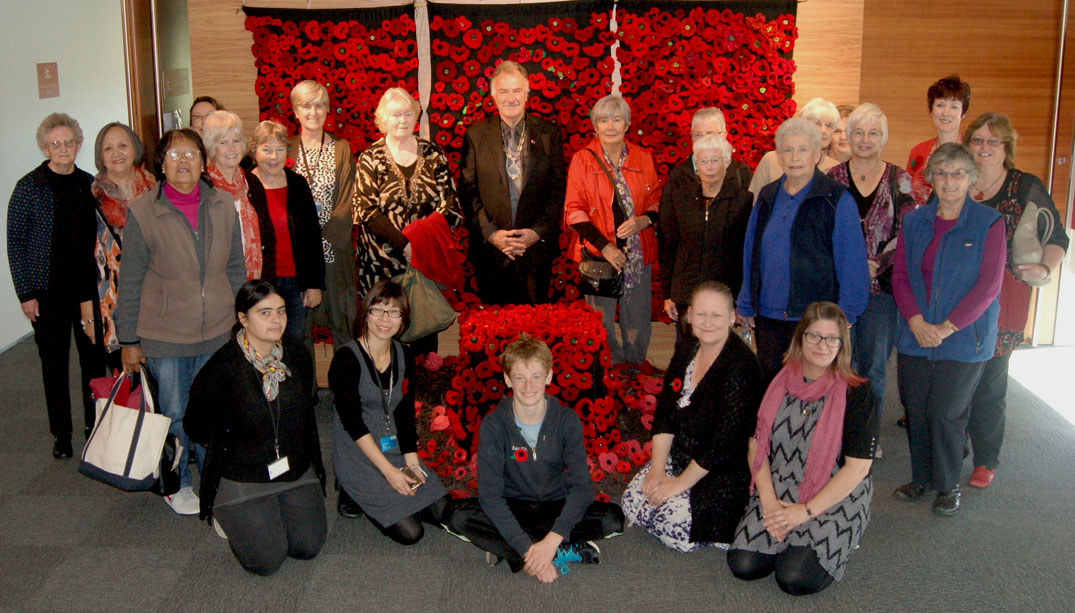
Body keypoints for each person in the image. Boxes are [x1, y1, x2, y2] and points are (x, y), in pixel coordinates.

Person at [115, 128, 246, 515]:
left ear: (204, 162)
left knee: (213, 413)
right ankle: (177, 483)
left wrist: (242, 323)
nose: (184, 161)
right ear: (161, 164)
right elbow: (131, 282)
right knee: (173, 413)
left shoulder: (224, 204)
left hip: (218, 331)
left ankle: (213, 481)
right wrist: (128, 340)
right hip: (164, 335)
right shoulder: (142, 212)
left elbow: (236, 268)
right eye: (174, 155)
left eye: (191, 153)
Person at [444, 333, 625, 582]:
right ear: (508, 379)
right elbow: (490, 495)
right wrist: (529, 549)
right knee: (457, 515)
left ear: (548, 376)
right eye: (520, 378)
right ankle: (541, 550)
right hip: (513, 505)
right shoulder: (494, 424)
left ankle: (510, 549)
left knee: (613, 517)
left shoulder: (566, 420)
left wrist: (550, 541)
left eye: (536, 377)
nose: (528, 387)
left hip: (555, 505)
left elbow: (582, 488)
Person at [727, 302, 878, 596]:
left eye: (832, 338)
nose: (822, 345)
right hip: (780, 485)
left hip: (832, 493)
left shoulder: (857, 392)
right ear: (800, 338)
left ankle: (840, 536)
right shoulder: (774, 381)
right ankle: (789, 538)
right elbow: (755, 445)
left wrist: (804, 513)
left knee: (794, 578)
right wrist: (769, 502)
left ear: (842, 344)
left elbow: (858, 468)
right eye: (814, 336)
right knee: (743, 565)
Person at [891, 143, 1005, 516]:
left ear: (971, 179)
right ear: (932, 179)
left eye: (958, 173)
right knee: (917, 408)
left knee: (946, 411)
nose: (950, 181)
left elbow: (988, 286)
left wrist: (945, 328)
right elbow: (902, 276)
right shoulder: (914, 221)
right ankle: (921, 479)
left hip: (964, 337)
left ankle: (947, 485)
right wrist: (917, 322)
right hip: (916, 331)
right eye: (942, 173)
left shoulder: (989, 222)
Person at [185, 280, 326, 576]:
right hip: (244, 474)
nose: (277, 320)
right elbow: (195, 425)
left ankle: (272, 510)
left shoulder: (296, 354)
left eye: (282, 311)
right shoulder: (224, 367)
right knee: (266, 561)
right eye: (265, 313)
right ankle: (228, 511)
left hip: (293, 468)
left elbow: (305, 416)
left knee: (307, 547)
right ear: (243, 319)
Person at [962, 113, 1068, 489]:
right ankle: (953, 445)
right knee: (956, 376)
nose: (985, 148)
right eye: (978, 140)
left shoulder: (1025, 185)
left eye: (994, 141)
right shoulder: (958, 179)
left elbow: (1057, 234)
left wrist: (1044, 268)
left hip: (1005, 296)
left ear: (1006, 147)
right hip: (958, 294)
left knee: (990, 381)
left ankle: (985, 459)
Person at [621, 281, 765, 552]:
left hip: (721, 471)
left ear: (732, 317)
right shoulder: (687, 348)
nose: (707, 322)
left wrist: (678, 485)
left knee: (670, 521)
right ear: (689, 315)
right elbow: (665, 412)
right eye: (700, 314)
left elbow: (725, 442)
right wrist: (658, 469)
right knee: (631, 502)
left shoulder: (742, 366)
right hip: (682, 456)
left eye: (716, 315)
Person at [737, 117, 870, 380]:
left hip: (815, 320)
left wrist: (847, 315)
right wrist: (746, 302)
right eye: (788, 150)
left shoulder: (837, 199)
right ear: (778, 155)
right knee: (772, 386)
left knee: (810, 389)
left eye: (803, 150)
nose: (795, 157)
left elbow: (852, 263)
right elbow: (751, 252)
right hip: (768, 315)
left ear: (817, 155)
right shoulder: (767, 195)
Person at [7, 113, 102, 458]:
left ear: (78, 144)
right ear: (45, 147)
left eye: (69, 142)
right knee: (54, 364)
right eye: (55, 143)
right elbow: (15, 242)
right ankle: (62, 434)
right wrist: (25, 293)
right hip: (46, 293)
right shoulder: (29, 186)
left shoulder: (90, 184)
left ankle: (95, 427)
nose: (63, 148)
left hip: (87, 292)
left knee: (92, 361)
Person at [329, 280, 449, 543]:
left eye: (394, 312)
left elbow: (404, 414)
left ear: (403, 319)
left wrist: (411, 464)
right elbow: (353, 424)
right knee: (411, 533)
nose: (385, 319)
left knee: (442, 510)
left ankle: (383, 489)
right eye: (378, 310)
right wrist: (390, 472)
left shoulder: (404, 355)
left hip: (392, 443)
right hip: (358, 450)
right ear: (366, 313)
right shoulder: (346, 358)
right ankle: (352, 491)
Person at [826, 103, 916, 437]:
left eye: (873, 133)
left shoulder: (899, 179)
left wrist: (874, 265)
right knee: (837, 365)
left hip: (883, 292)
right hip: (838, 291)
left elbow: (908, 232)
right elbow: (822, 232)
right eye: (858, 132)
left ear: (883, 138)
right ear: (848, 137)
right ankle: (835, 434)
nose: (865, 139)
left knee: (873, 368)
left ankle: (866, 438)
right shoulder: (831, 179)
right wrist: (849, 266)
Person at [354, 87, 462, 354]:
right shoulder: (370, 157)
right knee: (385, 337)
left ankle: (422, 392)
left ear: (416, 117)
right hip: (382, 266)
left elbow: (450, 203)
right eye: (394, 115)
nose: (402, 120)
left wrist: (422, 243)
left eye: (407, 113)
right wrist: (404, 244)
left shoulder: (433, 153)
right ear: (382, 120)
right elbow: (366, 210)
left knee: (424, 333)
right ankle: (387, 393)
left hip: (425, 263)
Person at [564, 94, 662, 372]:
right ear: (595, 125)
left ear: (627, 124)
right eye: (603, 120)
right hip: (598, 256)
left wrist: (643, 220)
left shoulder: (643, 158)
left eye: (616, 119)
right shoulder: (582, 160)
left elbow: (656, 200)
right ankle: (608, 374)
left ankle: (635, 373)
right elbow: (574, 210)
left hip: (638, 254)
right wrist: (606, 248)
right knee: (601, 323)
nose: (610, 126)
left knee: (637, 321)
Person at [460, 60, 566, 305]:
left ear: (527, 94)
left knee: (535, 330)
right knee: (494, 330)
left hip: (534, 250)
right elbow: (468, 192)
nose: (510, 98)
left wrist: (535, 233)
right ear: (493, 95)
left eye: (517, 90)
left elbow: (557, 191)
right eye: (504, 91)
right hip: (492, 251)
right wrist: (492, 234)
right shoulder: (475, 135)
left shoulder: (549, 134)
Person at [659, 132, 753, 345]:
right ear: (696, 165)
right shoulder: (680, 197)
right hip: (686, 294)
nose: (709, 167)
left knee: (719, 357)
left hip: (724, 295)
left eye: (715, 160)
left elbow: (746, 253)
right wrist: (668, 293)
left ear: (727, 163)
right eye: (703, 161)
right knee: (685, 354)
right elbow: (668, 245)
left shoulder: (743, 201)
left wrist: (742, 299)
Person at [287, 80, 357, 354]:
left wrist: (321, 240)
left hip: (334, 253)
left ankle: (347, 393)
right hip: (297, 258)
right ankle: (306, 395)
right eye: (306, 105)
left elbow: (347, 200)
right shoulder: (285, 148)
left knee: (344, 325)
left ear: (328, 109)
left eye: (319, 105)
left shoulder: (342, 148)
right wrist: (302, 243)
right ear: (295, 111)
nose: (313, 111)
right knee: (298, 331)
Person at [245, 120, 325, 343]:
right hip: (260, 281)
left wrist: (314, 284)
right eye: (267, 149)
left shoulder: (297, 184)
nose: (273, 157)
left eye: (279, 150)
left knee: (294, 343)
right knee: (261, 342)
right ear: (255, 151)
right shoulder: (245, 186)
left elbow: (312, 237)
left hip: (294, 282)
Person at [90, 122, 157, 365]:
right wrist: (87, 313)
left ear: (134, 149)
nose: (116, 153)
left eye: (122, 145)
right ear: (101, 156)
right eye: (108, 149)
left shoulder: (156, 189)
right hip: (113, 299)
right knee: (126, 381)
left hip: (156, 294)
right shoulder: (91, 197)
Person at [204, 110, 261, 280]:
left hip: (252, 281)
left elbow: (267, 236)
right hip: (218, 279)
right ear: (211, 146)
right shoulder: (204, 186)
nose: (232, 148)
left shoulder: (251, 181)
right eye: (223, 142)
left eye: (236, 141)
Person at [749, 98, 841, 197]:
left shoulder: (837, 169)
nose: (823, 130)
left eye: (829, 126)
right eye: (817, 124)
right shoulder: (772, 161)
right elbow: (754, 204)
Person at [906, 75, 971, 208]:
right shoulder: (918, 151)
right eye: (940, 105)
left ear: (963, 113)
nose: (945, 113)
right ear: (931, 110)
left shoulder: (973, 151)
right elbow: (907, 196)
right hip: (921, 224)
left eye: (954, 106)